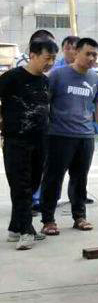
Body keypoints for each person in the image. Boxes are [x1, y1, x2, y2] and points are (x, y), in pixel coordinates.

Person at [40, 38, 98, 235]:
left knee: (80, 179)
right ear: (76, 53)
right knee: (53, 178)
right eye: (88, 53)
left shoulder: (96, 79)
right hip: (59, 135)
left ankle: (79, 217)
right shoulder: (58, 75)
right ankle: (48, 220)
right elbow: (44, 103)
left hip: (85, 137)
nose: (91, 58)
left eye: (95, 55)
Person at [0, 37, 58, 250]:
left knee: (32, 185)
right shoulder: (11, 78)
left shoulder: (44, 81)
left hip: (40, 141)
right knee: (21, 186)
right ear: (32, 55)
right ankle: (27, 231)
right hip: (17, 141)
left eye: (53, 59)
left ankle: (15, 228)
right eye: (47, 58)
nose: (50, 63)